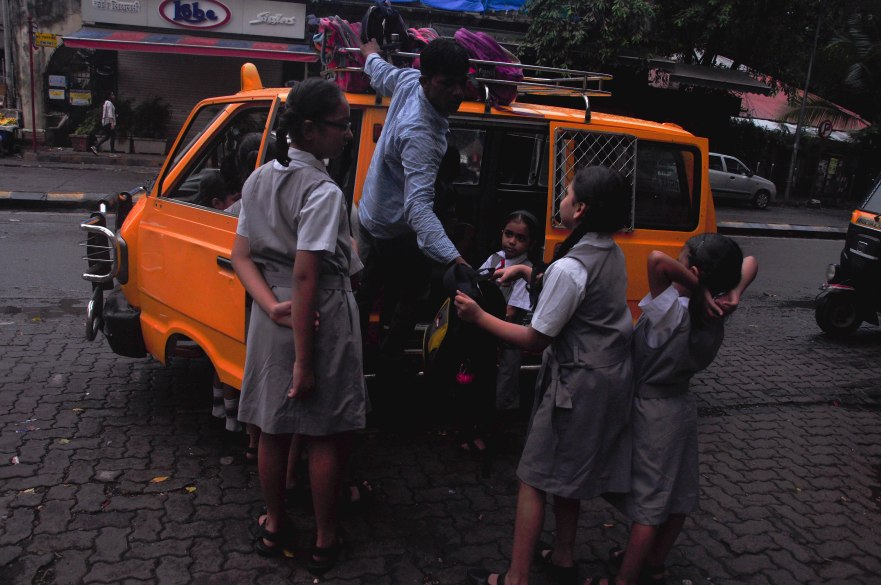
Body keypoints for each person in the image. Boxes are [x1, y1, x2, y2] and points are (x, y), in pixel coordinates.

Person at [454, 165, 634, 585]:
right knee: (566, 477)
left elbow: (535, 338)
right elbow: (568, 295)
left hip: (576, 387)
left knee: (533, 477)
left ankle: (516, 578)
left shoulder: (571, 268)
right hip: (603, 380)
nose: (563, 198)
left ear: (582, 208)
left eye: (568, 193)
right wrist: (523, 272)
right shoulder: (609, 250)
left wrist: (479, 316)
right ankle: (564, 557)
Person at [231, 78, 366, 575]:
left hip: (275, 316)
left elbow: (241, 257)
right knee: (323, 432)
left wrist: (269, 306)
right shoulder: (323, 190)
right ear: (309, 130)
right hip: (318, 314)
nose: (347, 135)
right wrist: (305, 361)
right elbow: (308, 272)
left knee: (272, 427)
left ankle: (275, 524)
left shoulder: (260, 177)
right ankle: (326, 538)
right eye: (341, 126)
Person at [597, 235, 758, 585]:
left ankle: (624, 579)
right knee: (678, 493)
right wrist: (734, 290)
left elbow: (656, 261)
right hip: (682, 407)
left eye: (681, 261)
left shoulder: (671, 308)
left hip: (653, 412)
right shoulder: (717, 308)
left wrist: (696, 287)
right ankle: (654, 562)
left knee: (649, 505)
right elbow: (750, 263)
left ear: (693, 272)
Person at [354, 37, 471, 366]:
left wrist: (370, 54)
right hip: (394, 231)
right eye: (447, 84)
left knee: (365, 294)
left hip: (369, 215)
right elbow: (418, 209)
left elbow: (381, 73)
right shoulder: (423, 134)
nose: (458, 93)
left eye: (462, 83)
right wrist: (455, 259)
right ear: (427, 81)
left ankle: (359, 357)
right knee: (413, 293)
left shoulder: (408, 82)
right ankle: (389, 363)